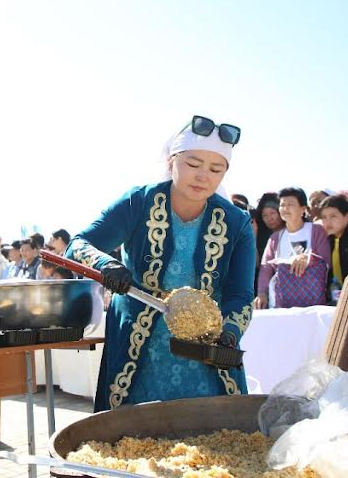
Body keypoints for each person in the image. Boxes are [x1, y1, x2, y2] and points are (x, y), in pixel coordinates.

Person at [66, 115, 255, 411]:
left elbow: (241, 294)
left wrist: (228, 334)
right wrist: (106, 265)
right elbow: (77, 245)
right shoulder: (139, 202)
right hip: (139, 347)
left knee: (212, 437)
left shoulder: (237, 222)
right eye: (193, 164)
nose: (203, 175)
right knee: (131, 438)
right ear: (171, 162)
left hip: (204, 348)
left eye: (216, 168)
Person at [255, 187, 330, 309]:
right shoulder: (275, 238)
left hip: (312, 304)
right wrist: (262, 293)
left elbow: (326, 262)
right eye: (282, 205)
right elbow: (266, 269)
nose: (285, 208)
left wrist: (308, 258)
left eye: (290, 204)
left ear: (303, 209)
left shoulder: (316, 231)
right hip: (281, 304)